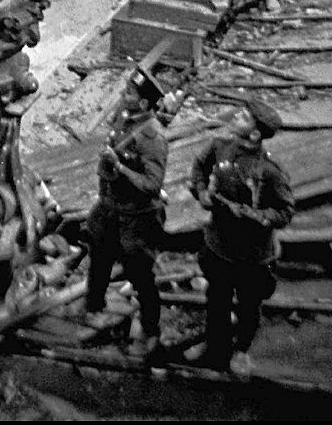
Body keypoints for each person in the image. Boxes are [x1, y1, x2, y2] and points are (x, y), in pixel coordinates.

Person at [184, 98, 294, 379]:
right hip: (220, 245)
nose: (236, 117)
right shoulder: (219, 146)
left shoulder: (269, 171)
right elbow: (198, 169)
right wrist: (202, 192)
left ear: (255, 134)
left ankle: (242, 350)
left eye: (244, 117)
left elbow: (285, 211)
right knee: (217, 299)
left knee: (249, 305)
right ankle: (215, 346)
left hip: (253, 254)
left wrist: (258, 217)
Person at [84, 66, 169, 366]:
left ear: (145, 104)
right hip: (110, 208)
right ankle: (93, 308)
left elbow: (152, 185)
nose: (124, 96)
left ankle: (150, 331)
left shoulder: (152, 137)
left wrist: (121, 170)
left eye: (130, 94)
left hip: (137, 218)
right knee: (99, 259)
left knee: (141, 276)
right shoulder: (124, 118)